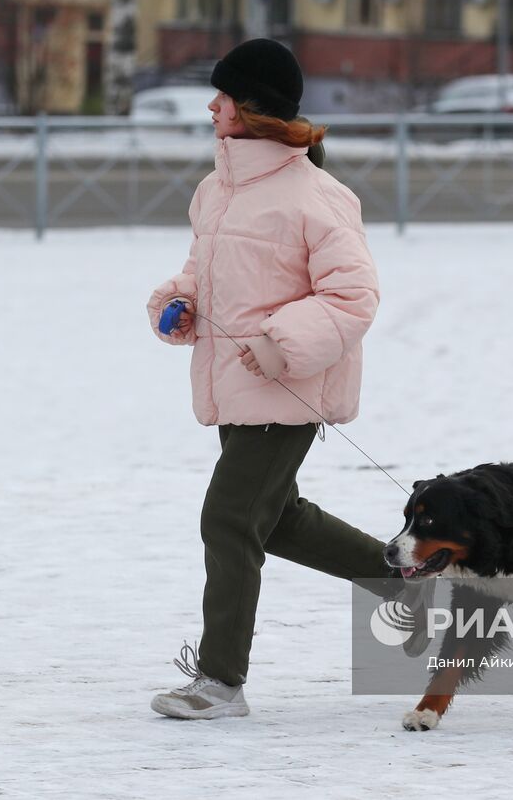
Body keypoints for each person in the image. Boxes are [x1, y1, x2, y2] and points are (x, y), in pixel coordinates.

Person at [146, 39, 397, 720]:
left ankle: (220, 680)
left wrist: (282, 343)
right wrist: (179, 301)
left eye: (222, 96)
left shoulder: (318, 196)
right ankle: (409, 587)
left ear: (250, 110)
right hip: (235, 382)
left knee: (229, 518)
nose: (211, 105)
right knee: (274, 518)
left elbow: (353, 297)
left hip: (286, 387)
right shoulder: (217, 189)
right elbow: (204, 270)